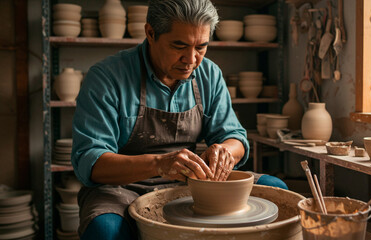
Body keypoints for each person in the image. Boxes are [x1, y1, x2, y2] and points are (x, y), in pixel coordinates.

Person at [71, 0, 287, 239]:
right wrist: (159, 164)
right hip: (123, 186)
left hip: (190, 182)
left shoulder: (209, 74)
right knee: (105, 231)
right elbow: (91, 162)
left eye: (201, 47)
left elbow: (234, 137)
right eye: (179, 46)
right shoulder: (107, 78)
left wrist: (225, 151)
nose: (191, 59)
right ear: (150, 33)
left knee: (276, 189)